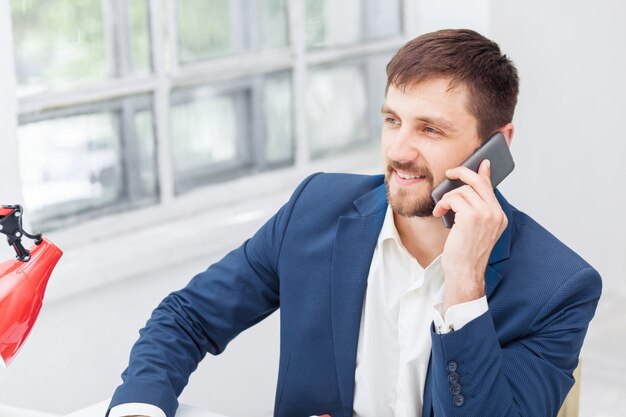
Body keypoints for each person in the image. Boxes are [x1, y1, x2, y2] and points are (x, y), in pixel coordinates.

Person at [107, 29, 601, 417]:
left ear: (496, 143)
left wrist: (465, 286)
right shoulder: (316, 208)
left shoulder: (558, 288)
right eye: (392, 120)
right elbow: (188, 317)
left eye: (430, 129)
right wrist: (138, 407)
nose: (399, 151)